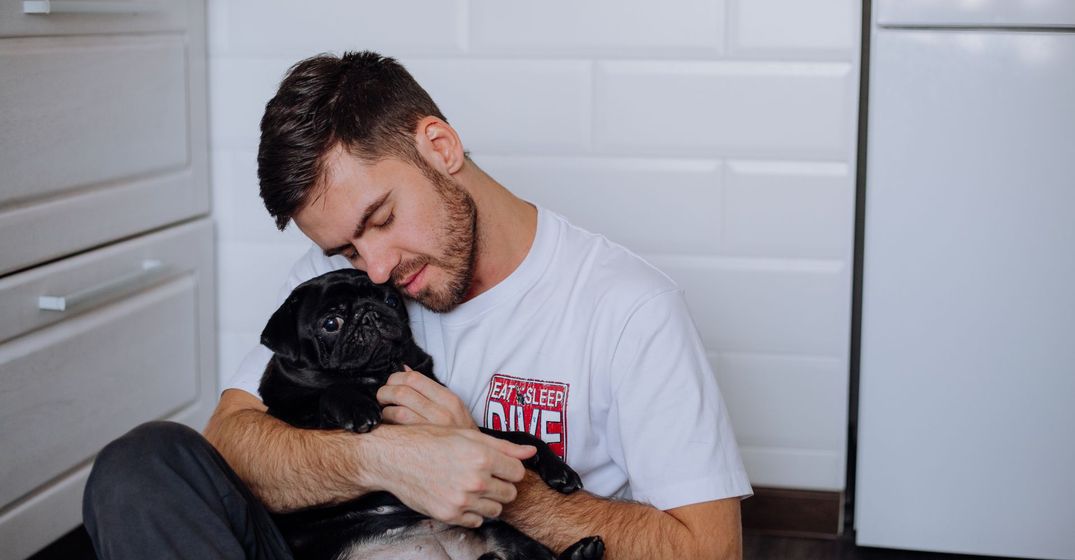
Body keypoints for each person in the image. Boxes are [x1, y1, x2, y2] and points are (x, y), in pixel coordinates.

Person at [83, 51, 751, 559]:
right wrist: (388, 458)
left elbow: (710, 550)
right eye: (347, 250)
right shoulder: (339, 282)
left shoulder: (628, 308)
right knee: (139, 467)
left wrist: (506, 489)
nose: (375, 270)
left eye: (381, 218)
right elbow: (231, 442)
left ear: (439, 147)